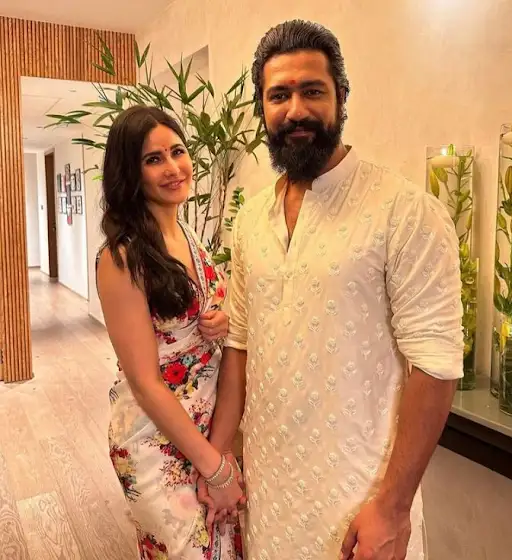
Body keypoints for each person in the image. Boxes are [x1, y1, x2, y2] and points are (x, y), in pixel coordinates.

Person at [206, 19, 463, 560]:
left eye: (313, 91)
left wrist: (393, 506)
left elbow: (436, 365)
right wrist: (222, 455)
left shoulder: (404, 210)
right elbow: (240, 344)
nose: (295, 109)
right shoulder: (250, 220)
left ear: (341, 97)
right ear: (261, 107)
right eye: (279, 95)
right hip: (270, 492)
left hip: (360, 504)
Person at [96, 105, 245, 559]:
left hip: (209, 427)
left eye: (177, 151)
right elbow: (144, 383)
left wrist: (223, 321)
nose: (173, 167)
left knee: (223, 547)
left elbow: (211, 317)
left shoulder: (188, 236)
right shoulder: (121, 258)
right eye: (153, 159)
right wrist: (215, 467)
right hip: (154, 436)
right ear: (130, 172)